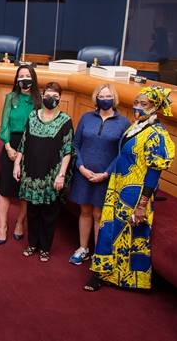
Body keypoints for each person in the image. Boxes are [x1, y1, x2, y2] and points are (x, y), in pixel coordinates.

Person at [86, 86, 175, 291]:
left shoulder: (157, 133)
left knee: (130, 236)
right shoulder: (136, 126)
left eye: (143, 104)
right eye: (136, 102)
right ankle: (104, 273)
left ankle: (130, 280)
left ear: (155, 107)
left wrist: (143, 204)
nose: (137, 107)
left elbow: (154, 171)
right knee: (110, 231)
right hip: (117, 186)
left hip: (135, 193)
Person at [68, 84, 129, 264]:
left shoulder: (123, 123)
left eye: (108, 96)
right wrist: (81, 167)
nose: (105, 99)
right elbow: (75, 145)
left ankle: (98, 253)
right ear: (96, 98)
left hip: (105, 177)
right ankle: (83, 248)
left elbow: (122, 153)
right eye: (101, 96)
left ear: (114, 98)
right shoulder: (87, 118)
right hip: (83, 174)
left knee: (99, 214)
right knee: (85, 211)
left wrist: (106, 173)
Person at [13, 82, 73, 262]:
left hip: (51, 176)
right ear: (42, 95)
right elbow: (23, 143)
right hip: (31, 173)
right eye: (48, 95)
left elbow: (68, 150)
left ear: (60, 99)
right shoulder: (32, 116)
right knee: (32, 212)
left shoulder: (65, 120)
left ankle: (45, 247)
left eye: (55, 96)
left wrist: (61, 174)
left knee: (49, 214)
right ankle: (32, 244)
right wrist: (17, 164)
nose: (51, 99)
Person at [0, 65, 41, 245]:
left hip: (31, 147)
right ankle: (2, 226)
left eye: (27, 76)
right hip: (11, 145)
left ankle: (20, 223)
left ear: (33, 79)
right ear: (16, 80)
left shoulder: (38, 100)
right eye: (21, 76)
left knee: (24, 191)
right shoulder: (10, 98)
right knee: (6, 189)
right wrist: (7, 147)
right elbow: (4, 125)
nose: (24, 79)